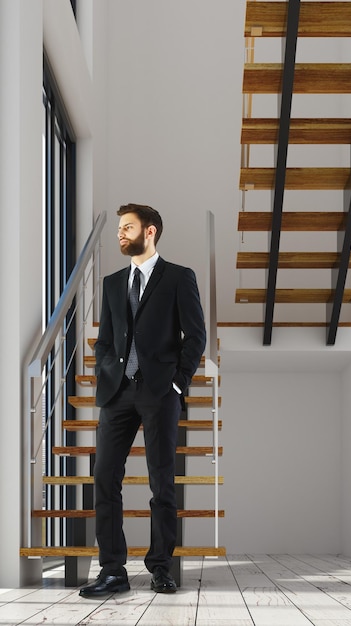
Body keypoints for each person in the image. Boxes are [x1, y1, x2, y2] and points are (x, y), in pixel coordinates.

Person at [79, 204, 206, 597]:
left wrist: (178, 384)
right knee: (104, 478)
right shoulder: (114, 282)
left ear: (149, 232)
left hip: (159, 392)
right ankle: (113, 570)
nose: (120, 233)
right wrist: (106, 370)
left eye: (127, 227)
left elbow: (196, 336)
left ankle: (160, 567)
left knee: (161, 482)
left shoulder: (179, 278)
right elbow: (104, 340)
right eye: (119, 228)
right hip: (117, 393)